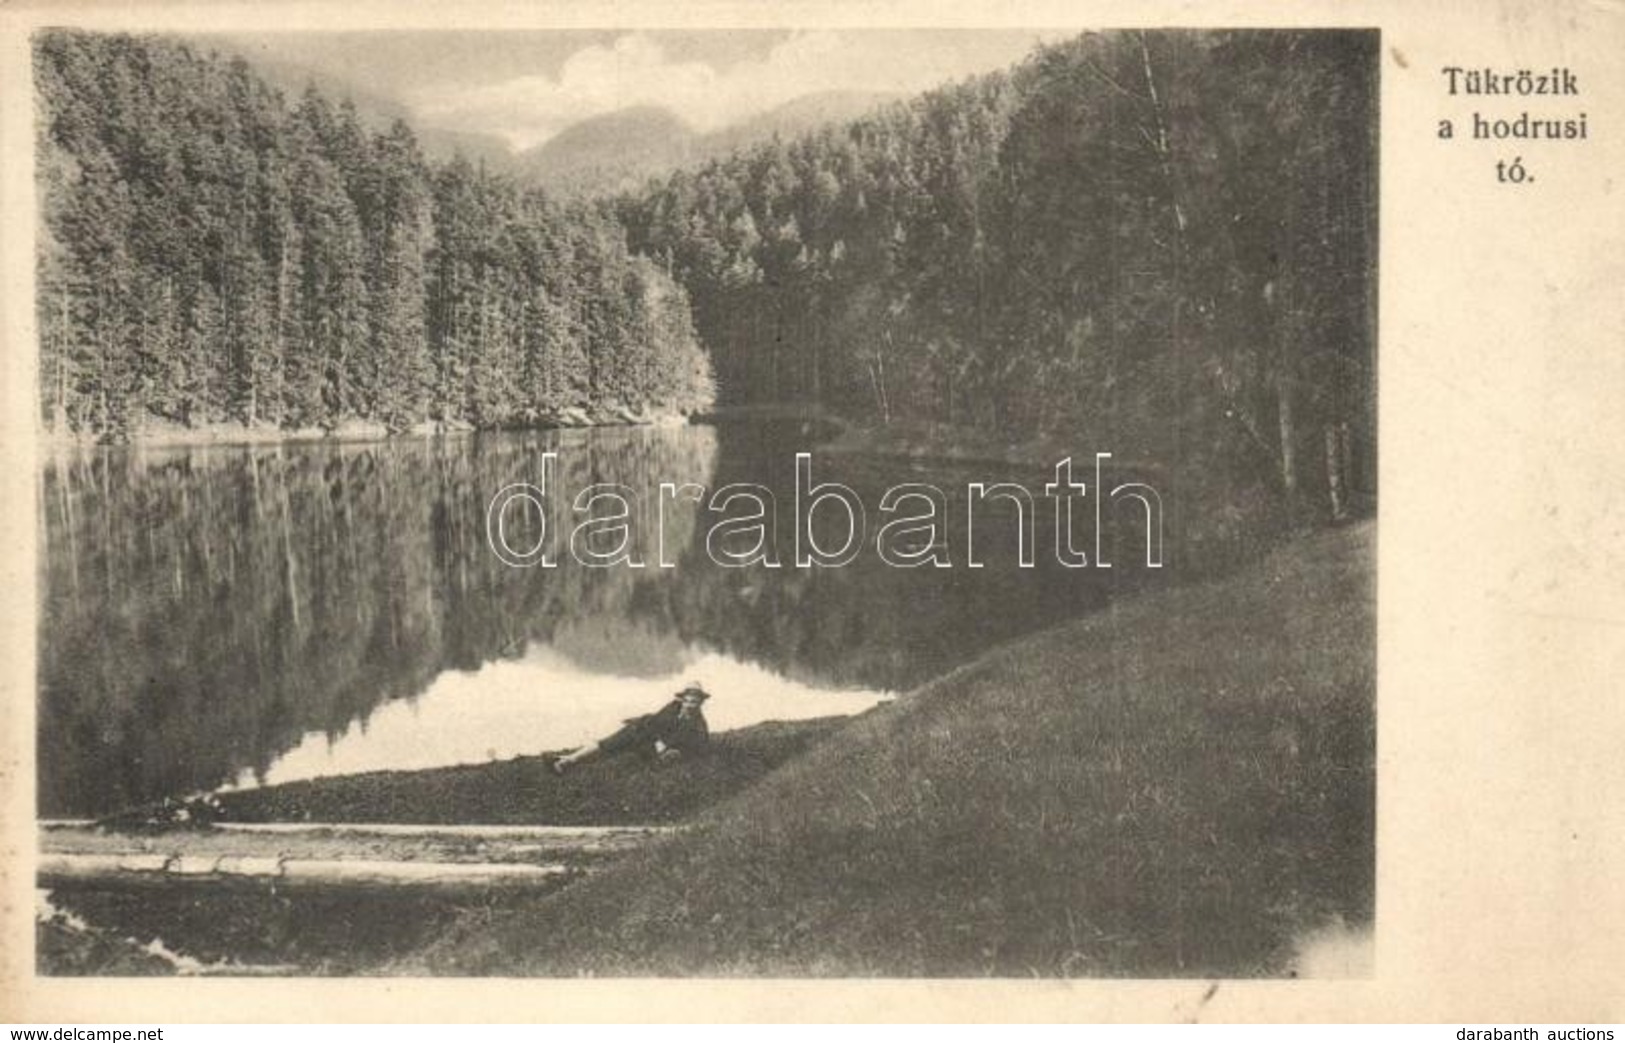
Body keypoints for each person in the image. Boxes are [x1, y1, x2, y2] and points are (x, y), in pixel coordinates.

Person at [549, 683, 712, 774]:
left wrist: (670, 748)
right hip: (639, 731)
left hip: (650, 745)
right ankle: (567, 761)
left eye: (695, 702)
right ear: (682, 700)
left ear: (700, 703)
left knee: (616, 756)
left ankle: (567, 762)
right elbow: (657, 722)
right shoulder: (673, 707)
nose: (690, 705)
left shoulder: (698, 725)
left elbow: (698, 746)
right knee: (606, 745)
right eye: (688, 700)